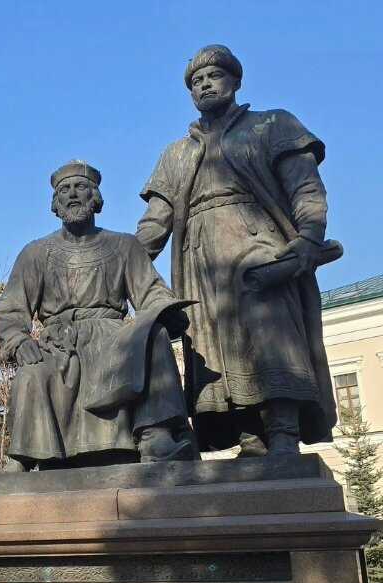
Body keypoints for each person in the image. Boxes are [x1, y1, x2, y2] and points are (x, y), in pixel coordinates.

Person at [136, 44, 336, 456]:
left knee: (267, 327)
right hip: (201, 261)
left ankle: (282, 431)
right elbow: (155, 223)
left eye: (214, 76)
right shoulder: (176, 154)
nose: (205, 84)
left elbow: (305, 188)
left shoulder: (272, 125)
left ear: (235, 81)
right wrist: (121, 268)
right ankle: (250, 438)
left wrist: (308, 238)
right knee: (211, 342)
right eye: (197, 81)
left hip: (259, 241)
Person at [0, 160, 194, 469]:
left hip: (113, 337)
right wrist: (19, 341)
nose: (72, 194)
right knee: (33, 370)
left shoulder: (124, 246)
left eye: (81, 187)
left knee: (153, 334)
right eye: (64, 190)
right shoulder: (36, 252)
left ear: (96, 198)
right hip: (58, 344)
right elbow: (11, 308)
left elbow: (150, 290)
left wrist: (165, 310)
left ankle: (156, 435)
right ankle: (24, 456)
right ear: (55, 203)